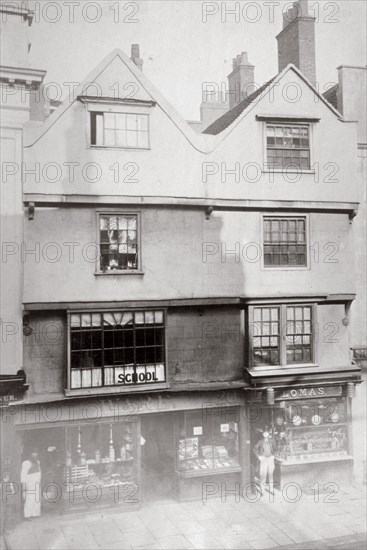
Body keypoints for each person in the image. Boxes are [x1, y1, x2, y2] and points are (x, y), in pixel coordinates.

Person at [253, 430, 276, 495]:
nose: (266, 434)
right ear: (263, 434)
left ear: (268, 434)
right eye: (264, 433)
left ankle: (271, 489)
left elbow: (276, 449)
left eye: (267, 433)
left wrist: (273, 455)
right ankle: (262, 490)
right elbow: (254, 448)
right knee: (263, 475)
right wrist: (259, 457)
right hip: (263, 459)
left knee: (271, 474)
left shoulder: (272, 441)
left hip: (270, 459)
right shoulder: (260, 441)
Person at [21, 450, 41, 519]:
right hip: (30, 484)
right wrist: (24, 484)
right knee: (29, 500)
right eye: (34, 456)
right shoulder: (26, 463)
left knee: (36, 499)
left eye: (36, 456)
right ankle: (28, 515)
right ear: (30, 456)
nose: (35, 457)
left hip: (37, 483)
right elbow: (23, 475)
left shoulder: (38, 462)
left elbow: (39, 472)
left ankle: (35, 514)